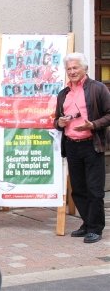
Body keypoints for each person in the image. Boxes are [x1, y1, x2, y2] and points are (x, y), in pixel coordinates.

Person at [54, 52, 110, 244]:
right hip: (71, 146)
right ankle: (87, 223)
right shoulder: (63, 93)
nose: (72, 71)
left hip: (92, 145)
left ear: (84, 68)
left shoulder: (98, 88)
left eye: (75, 67)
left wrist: (92, 125)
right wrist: (59, 122)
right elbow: (56, 120)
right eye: (69, 69)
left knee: (95, 190)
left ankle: (96, 228)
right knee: (78, 190)